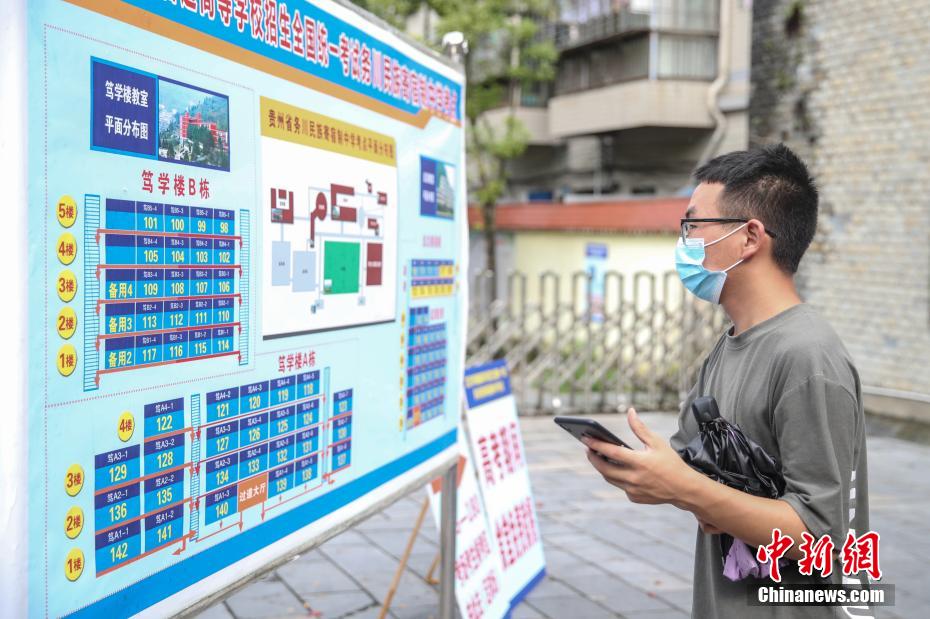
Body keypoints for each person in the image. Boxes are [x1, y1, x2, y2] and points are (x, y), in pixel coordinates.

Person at [581, 144, 871, 618]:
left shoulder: (808, 357)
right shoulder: (730, 342)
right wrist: (648, 473)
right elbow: (698, 475)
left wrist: (684, 488)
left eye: (694, 225)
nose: (685, 241)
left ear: (749, 237)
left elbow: (818, 534)